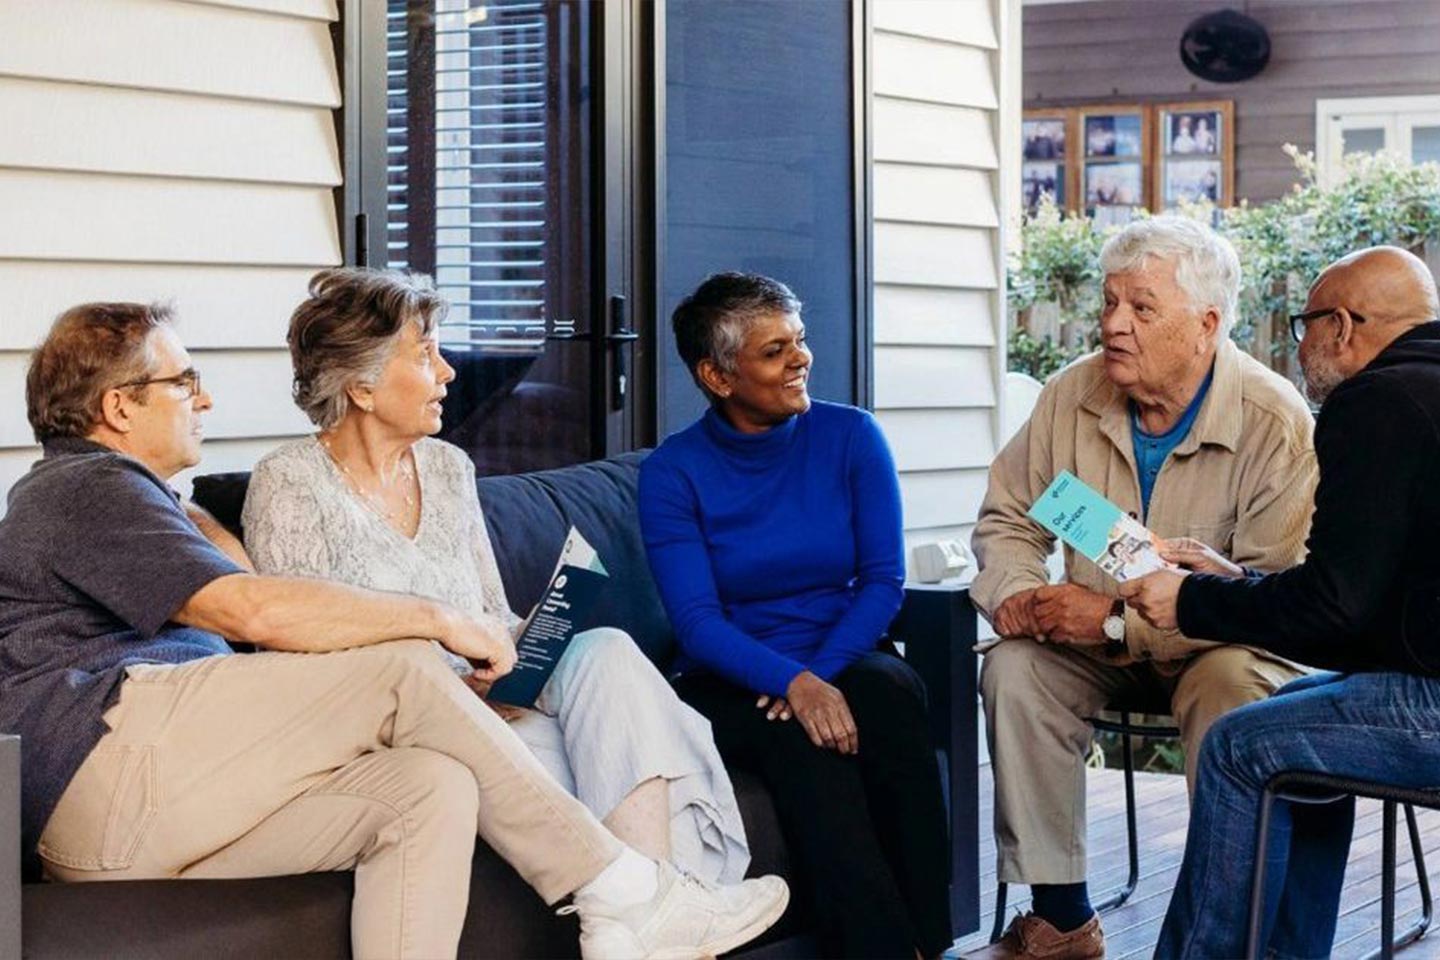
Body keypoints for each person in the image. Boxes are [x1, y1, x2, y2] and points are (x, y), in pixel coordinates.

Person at [0, 301, 789, 960]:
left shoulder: (136, 503)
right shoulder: (86, 486)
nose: (203, 400)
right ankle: (621, 891)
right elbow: (253, 610)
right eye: (184, 382)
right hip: (108, 763)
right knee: (405, 665)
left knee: (426, 789)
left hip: (128, 826)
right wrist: (441, 620)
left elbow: (243, 581)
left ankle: (634, 895)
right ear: (118, 406)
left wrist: (188, 506)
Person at [243, 267, 749, 885]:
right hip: (404, 729)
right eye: (425, 355)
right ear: (361, 387)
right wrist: (454, 687)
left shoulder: (450, 469)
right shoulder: (290, 481)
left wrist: (538, 633)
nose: (449, 372)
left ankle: (651, 913)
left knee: (609, 650)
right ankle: (669, 905)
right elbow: (298, 651)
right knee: (609, 760)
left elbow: (493, 615)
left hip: (496, 703)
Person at [966, 217, 1317, 960]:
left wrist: (1119, 623)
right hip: (1090, 639)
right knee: (1015, 667)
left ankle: (1223, 917)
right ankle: (1061, 920)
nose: (1113, 325)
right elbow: (1007, 517)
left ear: (1206, 325)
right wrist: (1019, 594)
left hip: (1222, 646)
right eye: (1108, 302)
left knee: (1230, 686)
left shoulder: (1273, 419)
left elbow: (1275, 599)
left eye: (1141, 309)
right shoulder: (1071, 394)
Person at [1121, 246, 1440, 959]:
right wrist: (1241, 585)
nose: (1301, 348)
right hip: (1417, 675)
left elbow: (1334, 612)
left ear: (1344, 325)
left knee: (1241, 743)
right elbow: (1377, 606)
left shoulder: (1379, 402)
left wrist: (1191, 601)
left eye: (1305, 326)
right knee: (1296, 720)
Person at [639, 273, 952, 959]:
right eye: (775, 350)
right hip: (726, 673)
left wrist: (816, 677)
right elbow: (697, 622)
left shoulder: (851, 437)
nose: (801, 358)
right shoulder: (673, 473)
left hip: (837, 650)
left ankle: (934, 943)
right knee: (804, 746)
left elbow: (881, 581)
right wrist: (791, 685)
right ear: (717, 376)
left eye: (799, 340)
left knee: (893, 695)